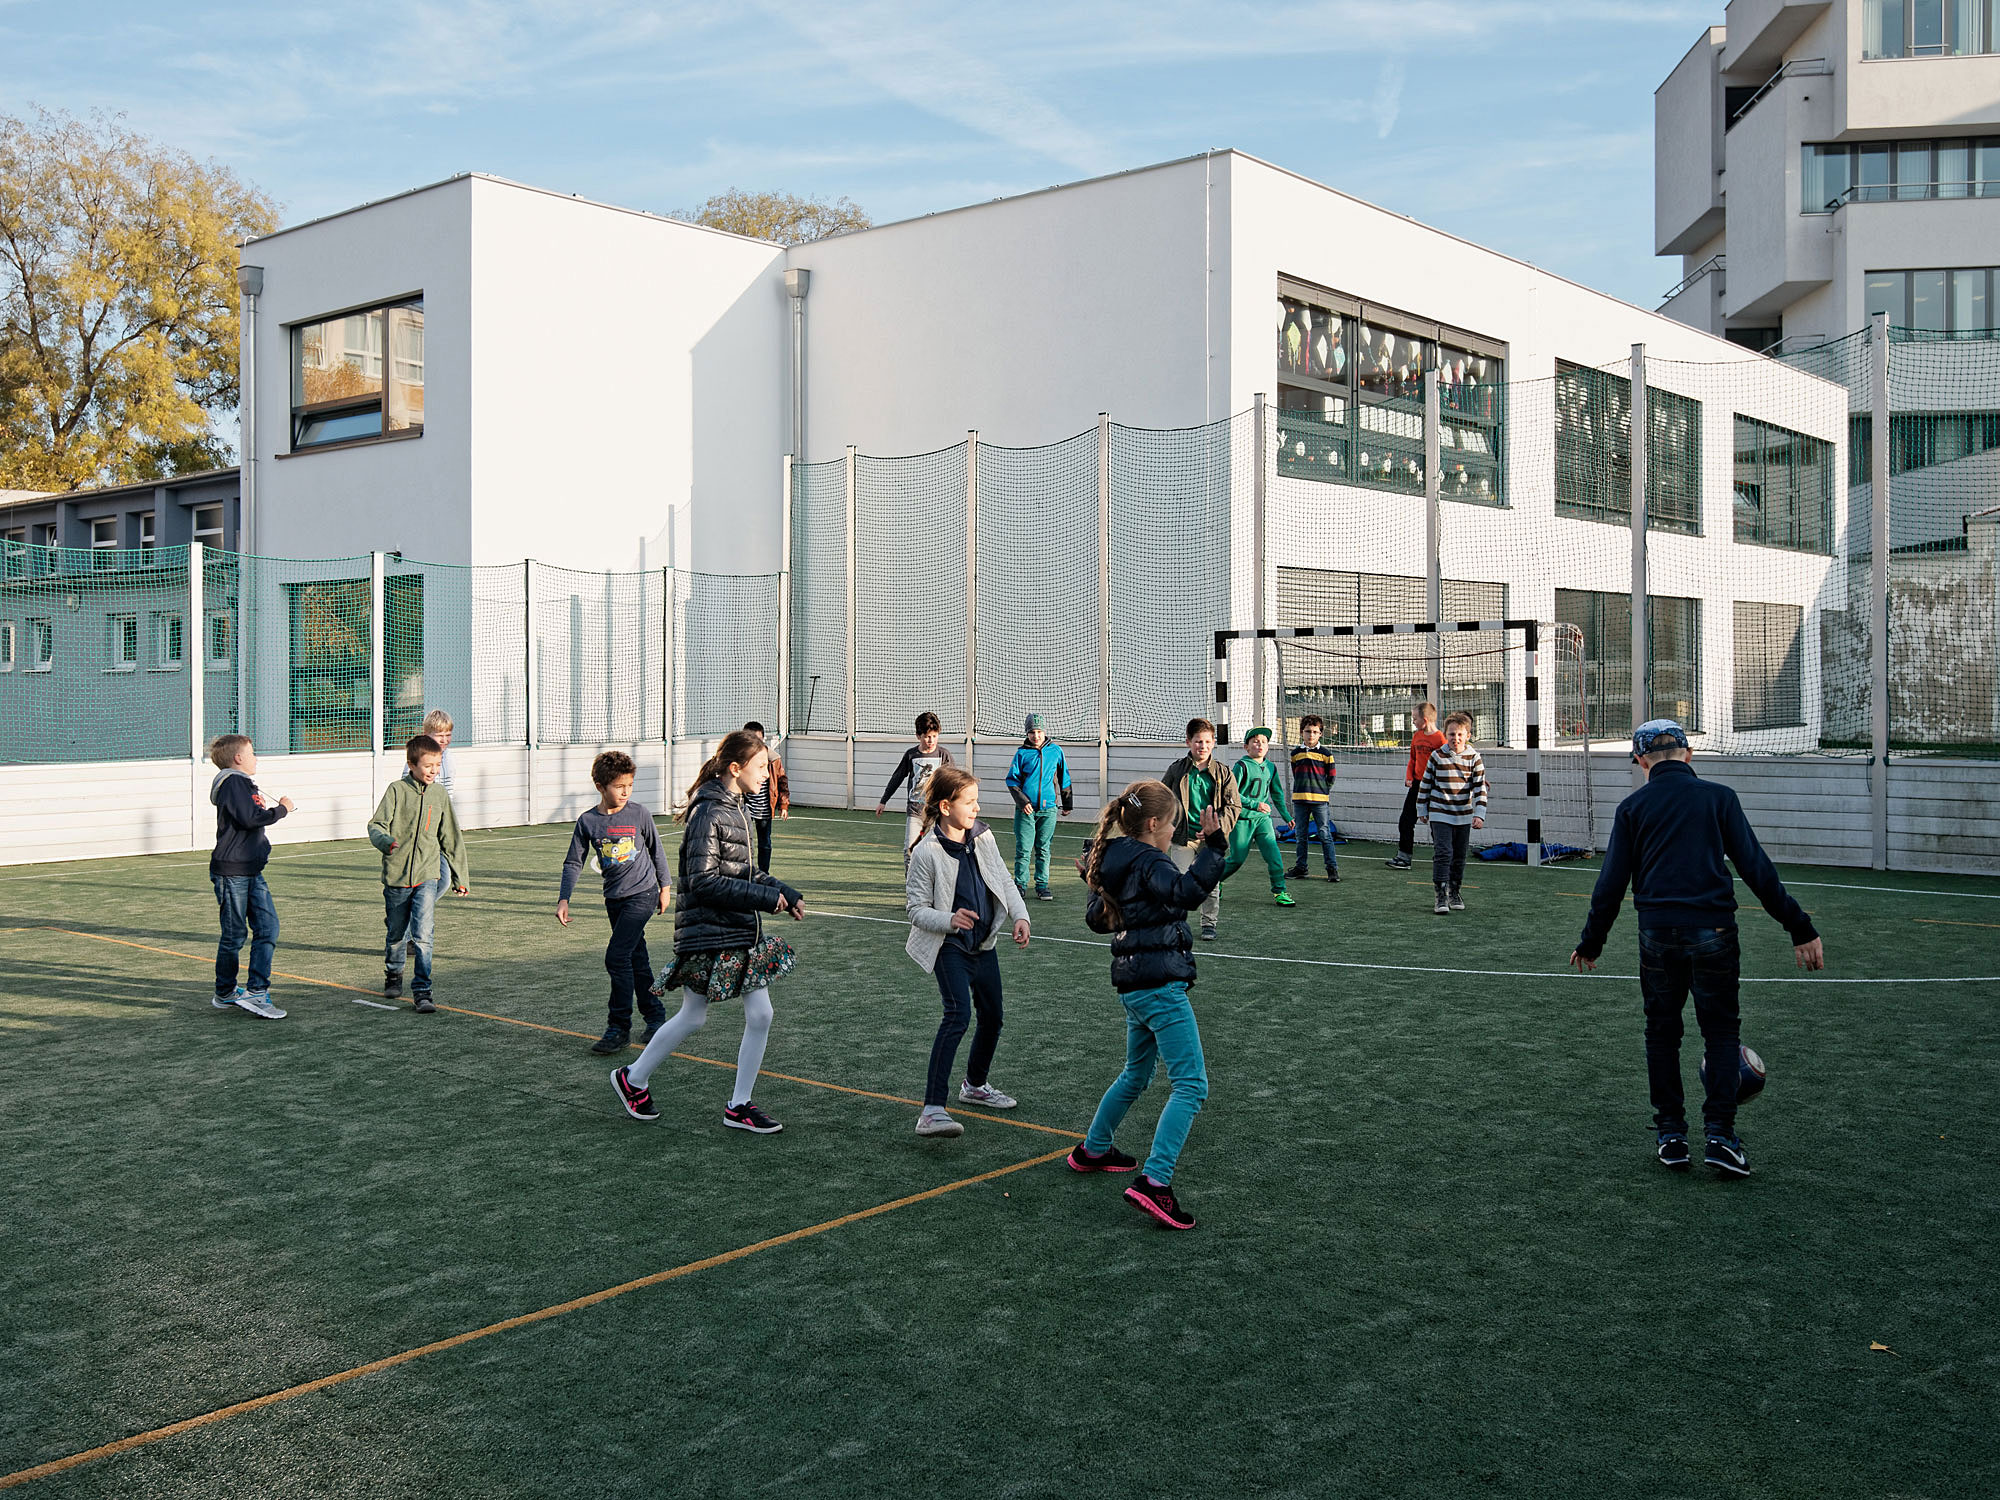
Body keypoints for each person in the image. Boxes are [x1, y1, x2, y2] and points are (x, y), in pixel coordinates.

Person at [1570, 720, 1825, 1178]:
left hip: (1657, 933)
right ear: (1688, 755)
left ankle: (1671, 1136)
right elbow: (1757, 869)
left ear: (1640, 761)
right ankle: (1721, 1138)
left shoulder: (1632, 808)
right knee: (1721, 1034)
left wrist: (1592, 942)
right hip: (1715, 931)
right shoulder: (1719, 798)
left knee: (1661, 1034)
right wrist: (1800, 927)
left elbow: (1610, 884)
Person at [612, 729, 805, 1134]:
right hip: (708, 933)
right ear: (735, 768)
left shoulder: (736, 808)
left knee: (760, 1014)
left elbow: (744, 871)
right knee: (694, 1016)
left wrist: (784, 892)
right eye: (760, 767)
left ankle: (737, 1105)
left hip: (735, 930)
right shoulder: (710, 813)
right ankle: (634, 1077)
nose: (767, 774)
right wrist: (764, 899)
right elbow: (703, 881)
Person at [1067, 781, 1227, 1231]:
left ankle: (1094, 1149)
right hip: (1159, 987)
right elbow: (1185, 893)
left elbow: (1099, 919)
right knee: (1191, 1085)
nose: (1175, 831)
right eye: (1173, 823)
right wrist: (1215, 847)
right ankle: (1155, 1182)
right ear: (1154, 824)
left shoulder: (1112, 857)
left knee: (1136, 1074)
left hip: (1134, 986)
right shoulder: (1149, 860)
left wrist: (1093, 886)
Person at [904, 765, 1032, 1138]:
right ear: (946, 807)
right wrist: (949, 919)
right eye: (969, 801)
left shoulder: (983, 836)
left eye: (977, 801)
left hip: (984, 945)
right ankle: (931, 1110)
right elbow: (915, 910)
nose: (977, 808)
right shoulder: (926, 852)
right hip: (950, 948)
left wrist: (1020, 916)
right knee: (958, 1014)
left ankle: (975, 1085)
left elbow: (1003, 878)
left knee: (992, 1016)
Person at [558, 750, 672, 1055]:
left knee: (616, 957)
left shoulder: (639, 814)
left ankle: (619, 1028)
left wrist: (665, 887)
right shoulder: (588, 821)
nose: (625, 792)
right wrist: (564, 898)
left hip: (643, 894)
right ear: (600, 786)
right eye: (619, 786)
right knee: (636, 959)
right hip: (614, 899)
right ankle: (655, 1017)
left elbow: (656, 850)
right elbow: (573, 862)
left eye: (629, 785)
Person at [366, 734, 470, 1013]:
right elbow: (376, 825)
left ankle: (423, 990)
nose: (434, 771)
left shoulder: (439, 795)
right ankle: (393, 973)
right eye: (428, 765)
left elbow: (451, 837)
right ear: (411, 765)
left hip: (428, 874)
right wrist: (385, 842)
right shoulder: (396, 791)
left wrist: (460, 876)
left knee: (423, 934)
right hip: (397, 876)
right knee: (396, 933)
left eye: (437, 765)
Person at [206, 734, 292, 1019]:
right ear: (238, 758)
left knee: (268, 927)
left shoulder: (241, 784)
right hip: (234, 872)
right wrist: (282, 809)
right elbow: (251, 818)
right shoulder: (234, 783)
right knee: (235, 934)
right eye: (252, 753)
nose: (256, 758)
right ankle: (230, 991)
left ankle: (251, 990)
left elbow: (249, 817)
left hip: (250, 870)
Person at [1161, 718, 1241, 942]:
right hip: (1183, 838)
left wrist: (1214, 829)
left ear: (1213, 742)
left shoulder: (1224, 773)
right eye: (1197, 741)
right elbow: (1162, 798)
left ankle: (1209, 924)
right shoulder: (1176, 770)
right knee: (1179, 881)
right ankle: (1177, 924)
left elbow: (1234, 806)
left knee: (1210, 884)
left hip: (1211, 841)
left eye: (1207, 741)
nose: (1202, 746)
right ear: (1188, 742)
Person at [1416, 710, 1486, 916]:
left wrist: (1479, 813)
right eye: (1452, 734)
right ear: (1446, 735)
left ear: (1468, 736)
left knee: (1459, 856)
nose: (1456, 738)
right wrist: (1422, 808)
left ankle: (1455, 891)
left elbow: (1480, 787)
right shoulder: (1437, 756)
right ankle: (1440, 894)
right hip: (1440, 813)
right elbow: (1426, 784)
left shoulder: (1474, 758)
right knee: (1443, 853)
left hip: (1463, 815)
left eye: (1460, 734)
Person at [1004, 712, 1072, 901]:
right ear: (1027, 733)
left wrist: (1067, 803)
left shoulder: (1056, 751)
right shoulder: (1021, 754)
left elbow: (1064, 777)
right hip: (1026, 811)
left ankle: (1042, 885)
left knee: (1043, 848)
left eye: (1039, 731)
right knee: (1024, 849)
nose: (1036, 735)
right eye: (1032, 732)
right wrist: (1023, 802)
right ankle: (1020, 885)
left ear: (1045, 731)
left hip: (1048, 809)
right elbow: (1012, 781)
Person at [1224, 726, 1294, 907]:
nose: (1260, 745)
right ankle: (1215, 881)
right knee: (1237, 859)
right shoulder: (1241, 766)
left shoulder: (1271, 767)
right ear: (1246, 747)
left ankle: (1280, 891)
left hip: (1263, 819)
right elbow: (1231, 794)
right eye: (1255, 741)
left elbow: (1277, 794)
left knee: (1274, 856)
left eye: (1263, 741)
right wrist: (1255, 804)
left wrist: (1287, 816)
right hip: (1242, 820)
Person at [876, 711, 955, 868]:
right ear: (918, 736)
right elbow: (897, 777)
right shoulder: (911, 755)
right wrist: (883, 800)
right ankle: (912, 883)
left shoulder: (943, 755)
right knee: (910, 851)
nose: (931, 740)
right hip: (915, 811)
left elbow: (952, 782)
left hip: (937, 813)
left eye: (934, 736)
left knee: (940, 852)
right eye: (927, 736)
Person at [1385, 701, 1445, 871]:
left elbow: (1446, 764)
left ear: (1424, 720)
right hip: (1417, 785)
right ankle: (1404, 857)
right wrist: (1409, 777)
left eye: (1415, 718)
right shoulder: (1417, 736)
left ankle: (1443, 857)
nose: (1413, 721)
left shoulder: (1440, 739)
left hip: (1434, 786)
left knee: (1437, 824)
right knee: (1405, 820)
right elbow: (1413, 758)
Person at [1287, 714, 1340, 882]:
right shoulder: (1295, 754)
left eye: (1315, 732)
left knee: (1324, 834)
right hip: (1300, 800)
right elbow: (1296, 773)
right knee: (1300, 835)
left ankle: (1332, 869)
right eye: (1308, 731)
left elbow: (1331, 777)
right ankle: (1301, 868)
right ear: (1301, 732)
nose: (1311, 735)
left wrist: (1322, 791)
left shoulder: (1326, 754)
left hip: (1320, 801)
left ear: (1320, 734)